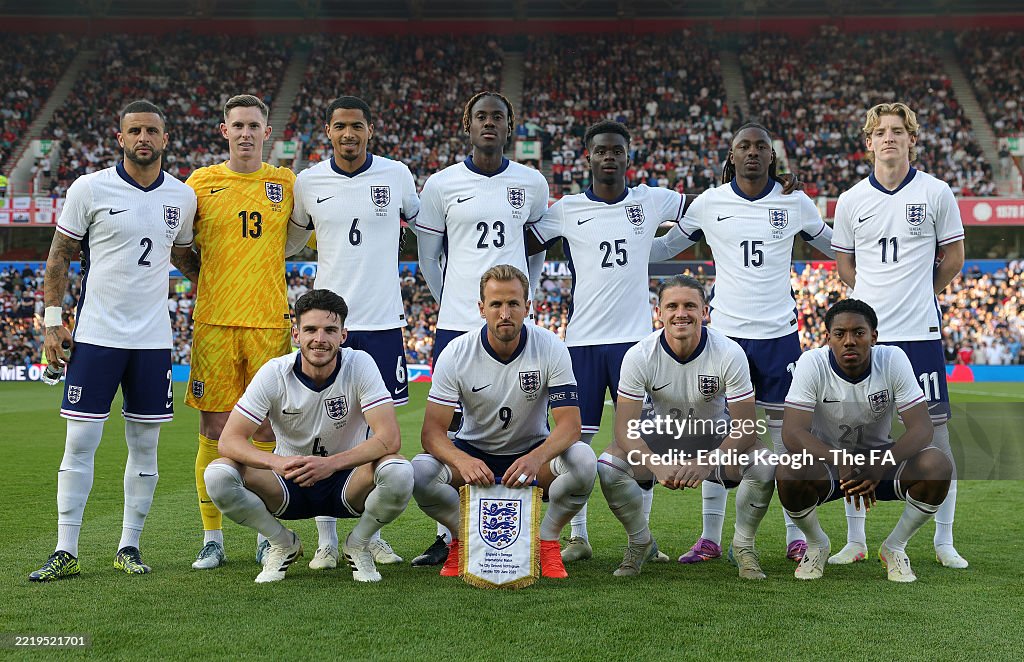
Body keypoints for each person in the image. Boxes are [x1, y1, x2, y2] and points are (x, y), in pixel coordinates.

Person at [652, 122, 835, 564]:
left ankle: (795, 533)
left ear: (772, 156)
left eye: (761, 147)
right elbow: (663, 248)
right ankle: (710, 537)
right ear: (730, 156)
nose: (752, 153)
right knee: (718, 430)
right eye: (743, 147)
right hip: (725, 338)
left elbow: (835, 245)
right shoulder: (710, 204)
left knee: (786, 437)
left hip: (779, 336)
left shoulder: (794, 201)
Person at [30, 100, 197, 581]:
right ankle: (66, 548)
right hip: (97, 336)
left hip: (151, 341)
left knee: (145, 446)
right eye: (134, 131)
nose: (144, 138)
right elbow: (60, 255)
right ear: (119, 138)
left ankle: (130, 546)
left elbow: (185, 260)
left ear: (165, 139)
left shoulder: (181, 198)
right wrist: (51, 321)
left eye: (152, 131)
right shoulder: (90, 188)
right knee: (80, 440)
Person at [526, 120, 688, 563]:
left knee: (642, 440)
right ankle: (578, 535)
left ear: (628, 156)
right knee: (574, 443)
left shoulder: (651, 200)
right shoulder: (566, 209)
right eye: (601, 151)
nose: (610, 157)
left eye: (618, 150)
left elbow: (701, 212)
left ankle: (645, 536)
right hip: (581, 344)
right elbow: (527, 241)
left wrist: (658, 250)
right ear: (588, 157)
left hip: (637, 345)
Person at [410, 91, 550, 566]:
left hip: (513, 319)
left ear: (510, 126)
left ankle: (538, 529)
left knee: (531, 416)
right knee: (448, 427)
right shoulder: (441, 184)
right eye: (481, 117)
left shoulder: (531, 183)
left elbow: (535, 250)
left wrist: (520, 293)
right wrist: (450, 298)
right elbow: (429, 257)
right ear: (466, 124)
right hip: (457, 322)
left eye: (498, 117)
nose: (489, 124)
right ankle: (448, 537)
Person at [175, 94, 312, 571]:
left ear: (266, 132)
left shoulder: (285, 184)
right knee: (212, 429)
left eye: (255, 125)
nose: (247, 133)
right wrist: (210, 279)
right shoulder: (201, 182)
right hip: (213, 322)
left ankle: (263, 532)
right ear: (224, 130)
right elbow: (180, 246)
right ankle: (212, 537)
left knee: (268, 430)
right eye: (239, 125)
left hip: (270, 322)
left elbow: (303, 239)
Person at [832, 102, 967, 568]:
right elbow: (844, 263)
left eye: (897, 131)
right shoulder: (851, 200)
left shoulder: (936, 192)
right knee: (858, 434)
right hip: (867, 338)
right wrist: (873, 298)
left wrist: (918, 293)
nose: (889, 138)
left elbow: (953, 257)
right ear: (868, 142)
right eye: (880, 132)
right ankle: (856, 539)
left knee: (937, 438)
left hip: (920, 333)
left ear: (912, 139)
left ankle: (943, 541)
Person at [203, 289, 413, 583]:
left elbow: (389, 439)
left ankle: (358, 544)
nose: (320, 339)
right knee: (218, 475)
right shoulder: (274, 372)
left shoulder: (360, 363)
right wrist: (275, 462)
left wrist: (331, 464)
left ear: (343, 335)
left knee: (400, 470)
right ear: (296, 334)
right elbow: (229, 441)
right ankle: (281, 542)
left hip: (348, 481)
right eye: (311, 329)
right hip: (290, 482)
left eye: (330, 330)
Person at [292, 95, 418, 569]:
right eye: (341, 126)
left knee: (377, 431)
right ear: (328, 130)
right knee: (324, 428)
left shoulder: (397, 175)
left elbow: (421, 226)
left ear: (371, 129)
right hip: (328, 323)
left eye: (357, 126)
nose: (349, 134)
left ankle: (368, 535)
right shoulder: (308, 182)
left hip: (384, 320)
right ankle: (326, 537)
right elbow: (292, 237)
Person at [411, 265, 596, 579]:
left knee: (584, 461)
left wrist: (536, 458)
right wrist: (462, 460)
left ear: (528, 307)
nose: (505, 312)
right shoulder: (457, 353)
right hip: (474, 456)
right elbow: (431, 433)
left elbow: (570, 426)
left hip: (532, 455)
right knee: (418, 472)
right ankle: (461, 538)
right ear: (482, 309)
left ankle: (547, 541)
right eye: (495, 304)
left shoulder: (551, 346)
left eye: (513, 303)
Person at [599, 276, 775, 578]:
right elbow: (624, 429)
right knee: (608, 467)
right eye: (673, 306)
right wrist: (655, 465)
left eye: (690, 306)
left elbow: (746, 427)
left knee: (765, 464)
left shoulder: (729, 352)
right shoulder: (639, 355)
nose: (681, 313)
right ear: (659, 312)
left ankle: (743, 546)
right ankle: (641, 543)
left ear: (704, 311)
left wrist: (707, 462)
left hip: (715, 440)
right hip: (660, 441)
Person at [778, 299, 951, 582]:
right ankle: (817, 544)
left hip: (879, 459)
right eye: (840, 334)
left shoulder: (892, 359)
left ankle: (894, 547)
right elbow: (792, 432)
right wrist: (839, 458)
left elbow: (922, 428)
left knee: (938, 465)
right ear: (827, 338)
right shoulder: (812, 362)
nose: (849, 341)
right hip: (830, 462)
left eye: (858, 332)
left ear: (874, 336)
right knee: (788, 470)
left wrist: (882, 463)